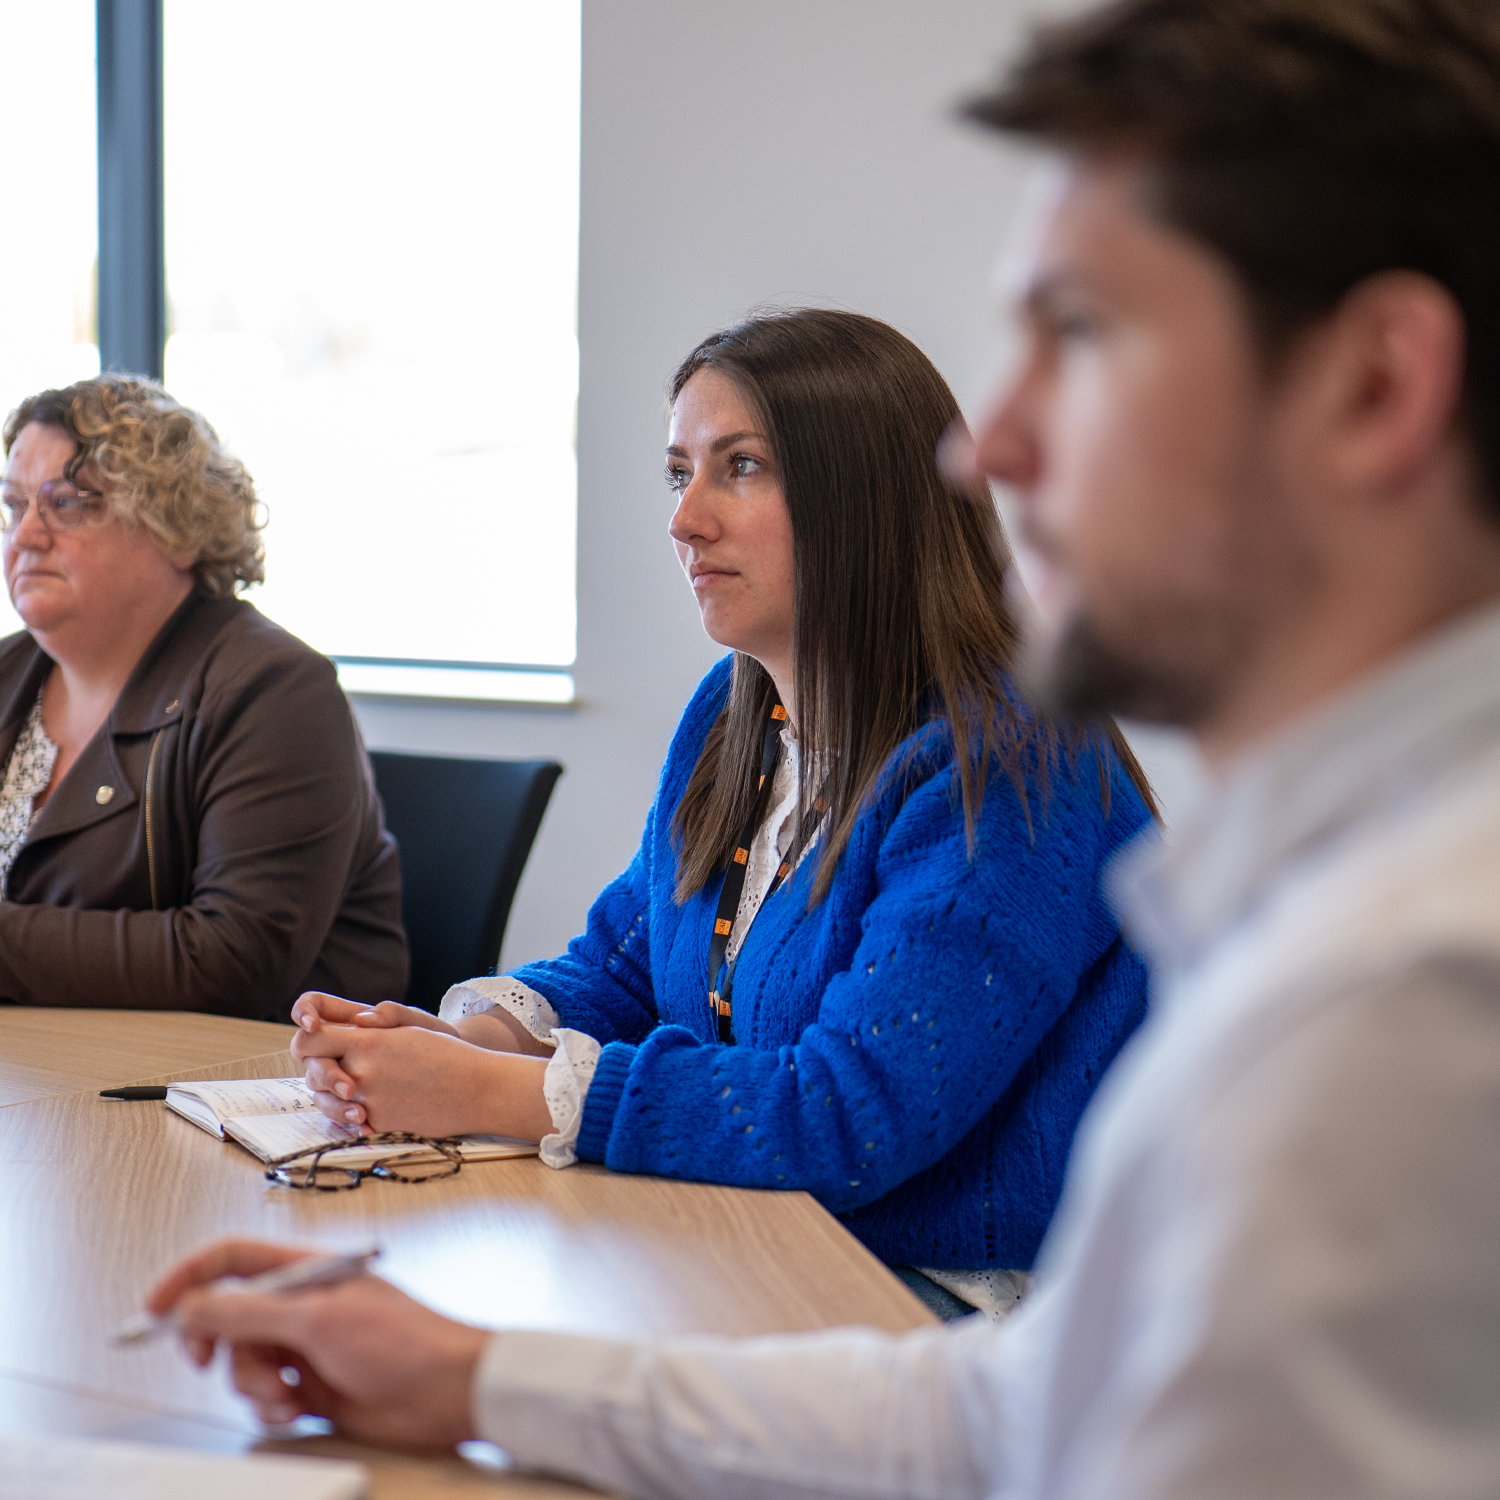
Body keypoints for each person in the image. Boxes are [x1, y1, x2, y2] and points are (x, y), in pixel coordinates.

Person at [147, 0, 1500, 1491]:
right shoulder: (757, 725)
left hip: (885, 1276)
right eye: (679, 473)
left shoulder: (1398, 984)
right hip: (811, 1289)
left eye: (1085, 334)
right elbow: (1011, 1412)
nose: (991, 447)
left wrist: (512, 1104)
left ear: (1376, 386)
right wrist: (476, 1336)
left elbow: (861, 1129)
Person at [288, 308, 1155, 1299]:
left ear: (863, 496)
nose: (684, 517)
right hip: (764, 1231)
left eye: (739, 466)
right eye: (679, 471)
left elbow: (848, 1117)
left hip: (958, 1300)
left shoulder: (1009, 760)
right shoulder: (735, 712)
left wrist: (493, 1094)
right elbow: (629, 960)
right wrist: (466, 1045)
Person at [0, 375, 405, 1018]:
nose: (24, 537)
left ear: (177, 530)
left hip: (244, 1099)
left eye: (69, 504)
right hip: (40, 1074)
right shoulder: (7, 673)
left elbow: (231, 964)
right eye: (15, 506)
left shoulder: (274, 690)